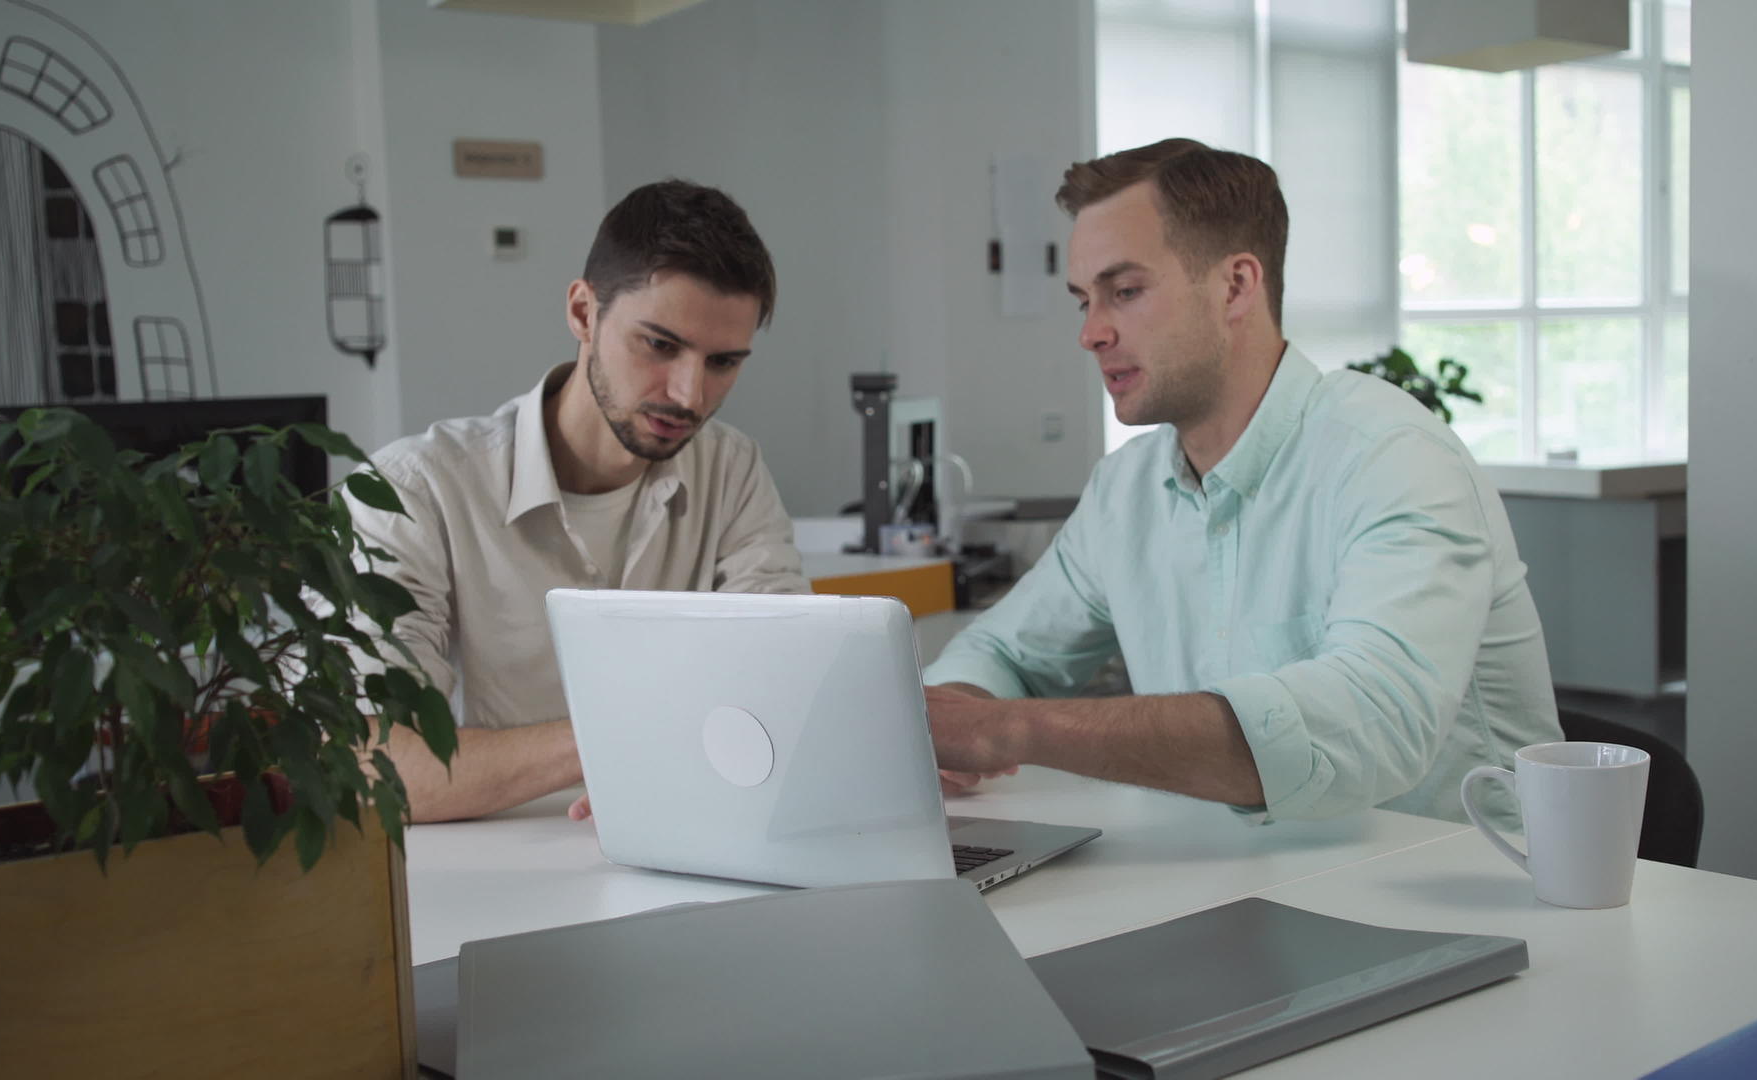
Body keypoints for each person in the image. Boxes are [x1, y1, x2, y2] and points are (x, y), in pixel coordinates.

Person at [922, 139, 1559, 833]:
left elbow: (1374, 722)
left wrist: (1011, 731)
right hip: (1242, 885)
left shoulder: (1391, 455)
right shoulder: (1126, 490)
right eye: (1084, 301)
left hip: (1457, 898)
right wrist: (959, 714)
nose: (1091, 333)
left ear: (1236, 286)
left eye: (1125, 292)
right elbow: (1004, 653)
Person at [344, 180, 808, 823]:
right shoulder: (415, 489)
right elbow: (368, 766)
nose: (689, 395)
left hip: (689, 842)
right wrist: (614, 741)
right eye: (660, 345)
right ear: (584, 313)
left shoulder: (731, 470)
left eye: (724, 362)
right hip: (477, 882)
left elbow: (783, 688)